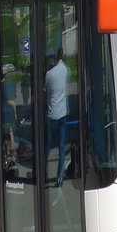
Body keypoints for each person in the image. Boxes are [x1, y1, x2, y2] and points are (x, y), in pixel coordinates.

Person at [45, 49, 69, 180]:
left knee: (48, 146)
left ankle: (44, 172)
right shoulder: (66, 70)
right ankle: (59, 176)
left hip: (51, 113)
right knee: (61, 147)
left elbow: (46, 92)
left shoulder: (49, 74)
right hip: (63, 113)